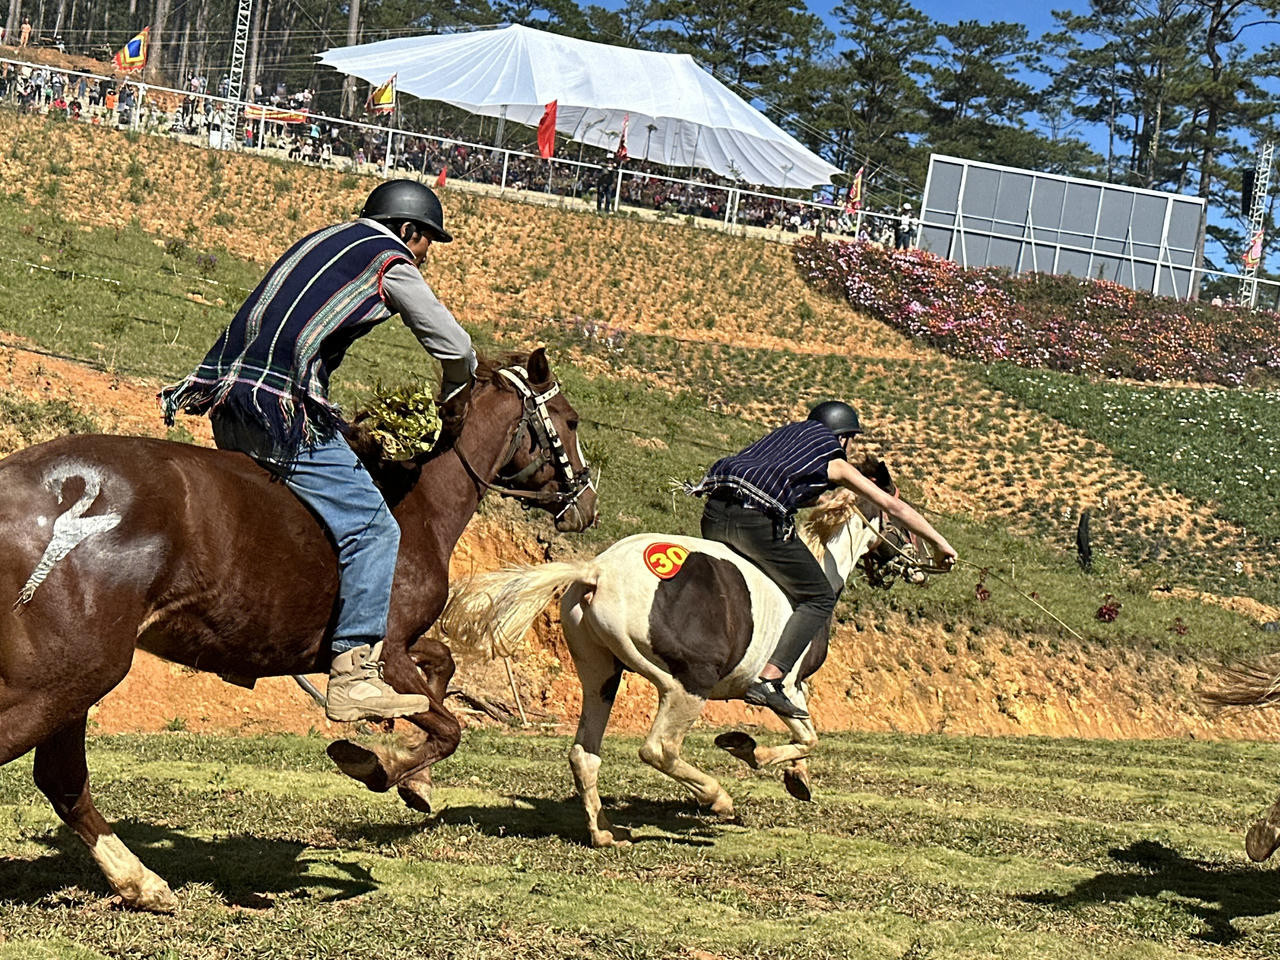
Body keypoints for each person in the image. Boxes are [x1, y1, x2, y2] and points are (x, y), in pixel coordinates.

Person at [160, 180, 477, 723]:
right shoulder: (389, 259)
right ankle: (354, 674)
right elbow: (456, 346)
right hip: (283, 409)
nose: (424, 258)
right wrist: (455, 391)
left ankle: (251, 635)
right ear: (408, 230)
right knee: (372, 528)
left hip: (227, 400)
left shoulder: (324, 238)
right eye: (426, 244)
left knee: (286, 512)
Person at [689, 402, 957, 719]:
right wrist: (940, 544)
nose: (849, 447)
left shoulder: (784, 436)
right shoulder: (836, 461)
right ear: (842, 437)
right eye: (850, 441)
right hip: (752, 524)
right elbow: (893, 507)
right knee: (819, 596)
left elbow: (786, 485)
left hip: (714, 514)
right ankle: (771, 680)